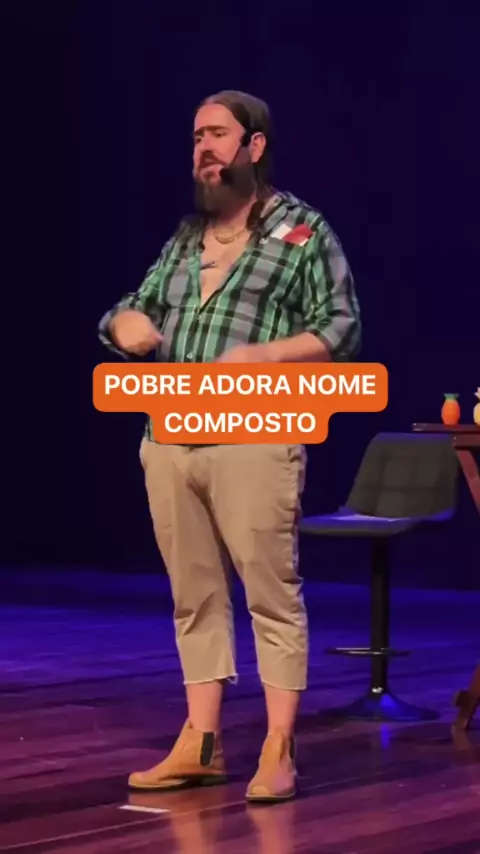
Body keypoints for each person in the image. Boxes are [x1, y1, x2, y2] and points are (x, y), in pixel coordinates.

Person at [98, 90, 361, 802]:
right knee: (194, 596)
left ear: (254, 145)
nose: (203, 149)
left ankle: (279, 747)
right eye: (195, 138)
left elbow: (341, 327)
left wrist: (268, 355)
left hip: (255, 437)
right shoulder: (187, 239)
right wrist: (125, 327)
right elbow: (132, 307)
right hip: (170, 437)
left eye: (216, 134)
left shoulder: (302, 230)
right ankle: (202, 741)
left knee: (271, 594)